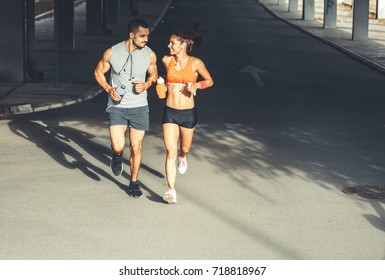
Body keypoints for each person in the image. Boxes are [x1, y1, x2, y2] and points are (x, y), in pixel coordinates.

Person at [94, 18, 158, 198]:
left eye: (147, 35)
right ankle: (116, 155)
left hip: (139, 106)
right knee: (118, 145)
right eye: (142, 36)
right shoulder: (112, 52)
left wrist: (146, 85)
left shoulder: (150, 54)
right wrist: (108, 88)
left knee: (136, 147)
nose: (146, 39)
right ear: (132, 35)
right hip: (117, 106)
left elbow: (154, 75)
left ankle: (134, 183)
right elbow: (98, 72)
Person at [156, 30, 213, 204]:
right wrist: (161, 85)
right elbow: (165, 83)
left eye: (172, 43)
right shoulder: (167, 61)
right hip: (170, 112)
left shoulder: (195, 63)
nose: (168, 46)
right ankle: (171, 190)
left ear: (182, 45)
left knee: (184, 149)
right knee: (169, 151)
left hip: (188, 113)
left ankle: (183, 155)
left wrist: (197, 85)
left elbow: (210, 80)